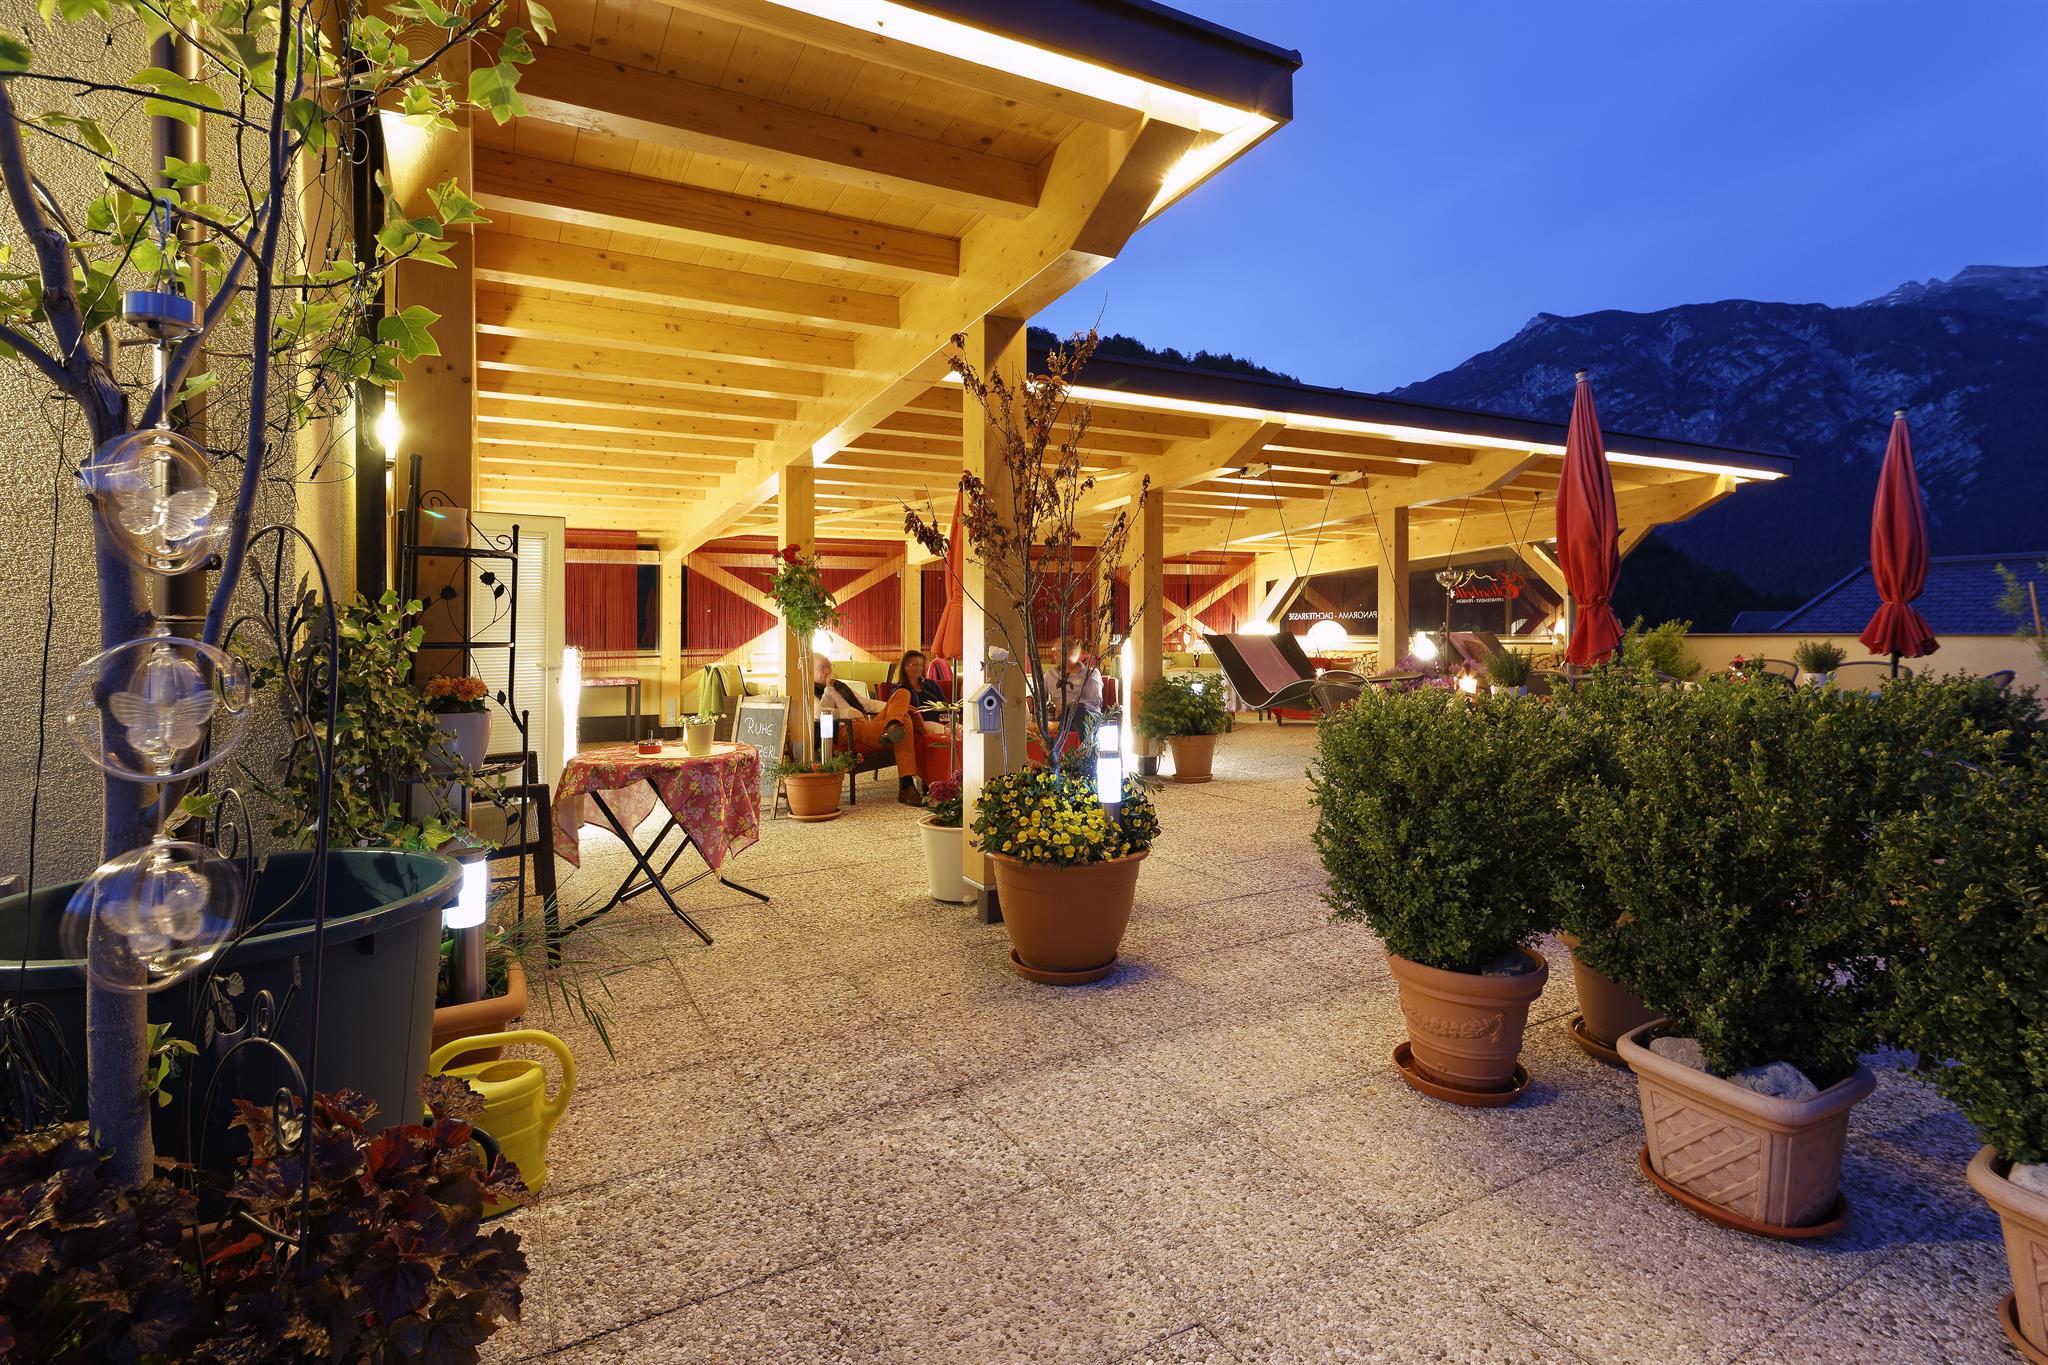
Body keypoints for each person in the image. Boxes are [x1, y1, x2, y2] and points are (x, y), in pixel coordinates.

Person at [812, 654, 928, 805]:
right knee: (905, 721)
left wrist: (896, 708)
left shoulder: (840, 686)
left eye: (829, 666)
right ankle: (906, 785)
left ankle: (893, 724)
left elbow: (867, 704)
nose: (828, 671)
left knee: (903, 693)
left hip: (866, 725)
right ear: (810, 670)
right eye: (822, 667)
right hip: (847, 730)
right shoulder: (809, 691)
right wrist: (829, 690)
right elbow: (819, 713)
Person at [896, 649, 951, 717]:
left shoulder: (932, 684)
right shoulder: (899, 690)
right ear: (905, 666)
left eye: (921, 665)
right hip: (915, 722)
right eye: (914, 665)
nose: (918, 668)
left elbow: (945, 707)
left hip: (939, 721)